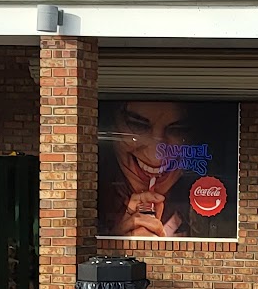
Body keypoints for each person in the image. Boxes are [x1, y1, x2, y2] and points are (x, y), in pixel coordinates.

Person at [97, 100, 232, 238]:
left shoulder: (222, 214)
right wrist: (115, 243)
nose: (156, 158)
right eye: (137, 125)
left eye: (178, 130)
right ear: (111, 124)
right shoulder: (91, 204)